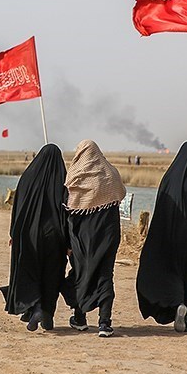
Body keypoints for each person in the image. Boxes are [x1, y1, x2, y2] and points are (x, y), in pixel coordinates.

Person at [135, 141, 187, 333]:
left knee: (170, 271)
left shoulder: (169, 178)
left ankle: (176, 303)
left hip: (171, 235)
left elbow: (161, 209)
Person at [0, 144, 72, 332]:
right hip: (55, 236)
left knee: (31, 271)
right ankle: (47, 315)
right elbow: (68, 214)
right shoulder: (63, 180)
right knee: (52, 275)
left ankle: (35, 307)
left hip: (28, 235)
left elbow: (18, 209)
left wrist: (14, 233)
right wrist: (69, 242)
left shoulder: (27, 178)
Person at [63, 139, 126, 338]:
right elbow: (119, 197)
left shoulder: (75, 176)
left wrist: (67, 242)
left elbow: (69, 210)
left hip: (82, 238)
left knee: (82, 273)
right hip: (108, 235)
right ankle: (104, 323)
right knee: (105, 275)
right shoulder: (111, 174)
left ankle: (80, 318)